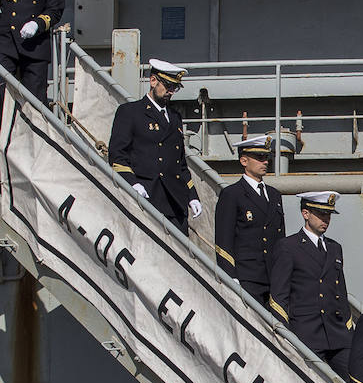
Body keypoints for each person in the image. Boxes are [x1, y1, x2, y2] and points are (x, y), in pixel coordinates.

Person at [109, 59, 202, 235]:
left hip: (175, 201)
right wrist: (133, 183)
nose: (170, 92)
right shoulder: (130, 112)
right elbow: (117, 156)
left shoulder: (175, 118)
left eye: (175, 88)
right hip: (147, 196)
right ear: (153, 81)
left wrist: (192, 195)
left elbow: (180, 163)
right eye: (167, 86)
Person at [269, 191, 354, 376]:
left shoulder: (334, 248)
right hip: (306, 332)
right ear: (305, 214)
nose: (326, 219)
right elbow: (279, 295)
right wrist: (286, 334)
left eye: (329, 215)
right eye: (321, 214)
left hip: (337, 333)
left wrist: (348, 327)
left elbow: (341, 291)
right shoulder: (288, 247)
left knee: (355, 381)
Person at [214, 135, 285, 306]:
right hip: (247, 277)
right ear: (244, 161)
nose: (265, 162)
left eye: (266, 157)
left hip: (272, 278)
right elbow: (224, 240)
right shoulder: (233, 194)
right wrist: (230, 277)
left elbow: (281, 238)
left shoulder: (274, 195)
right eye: (259, 158)